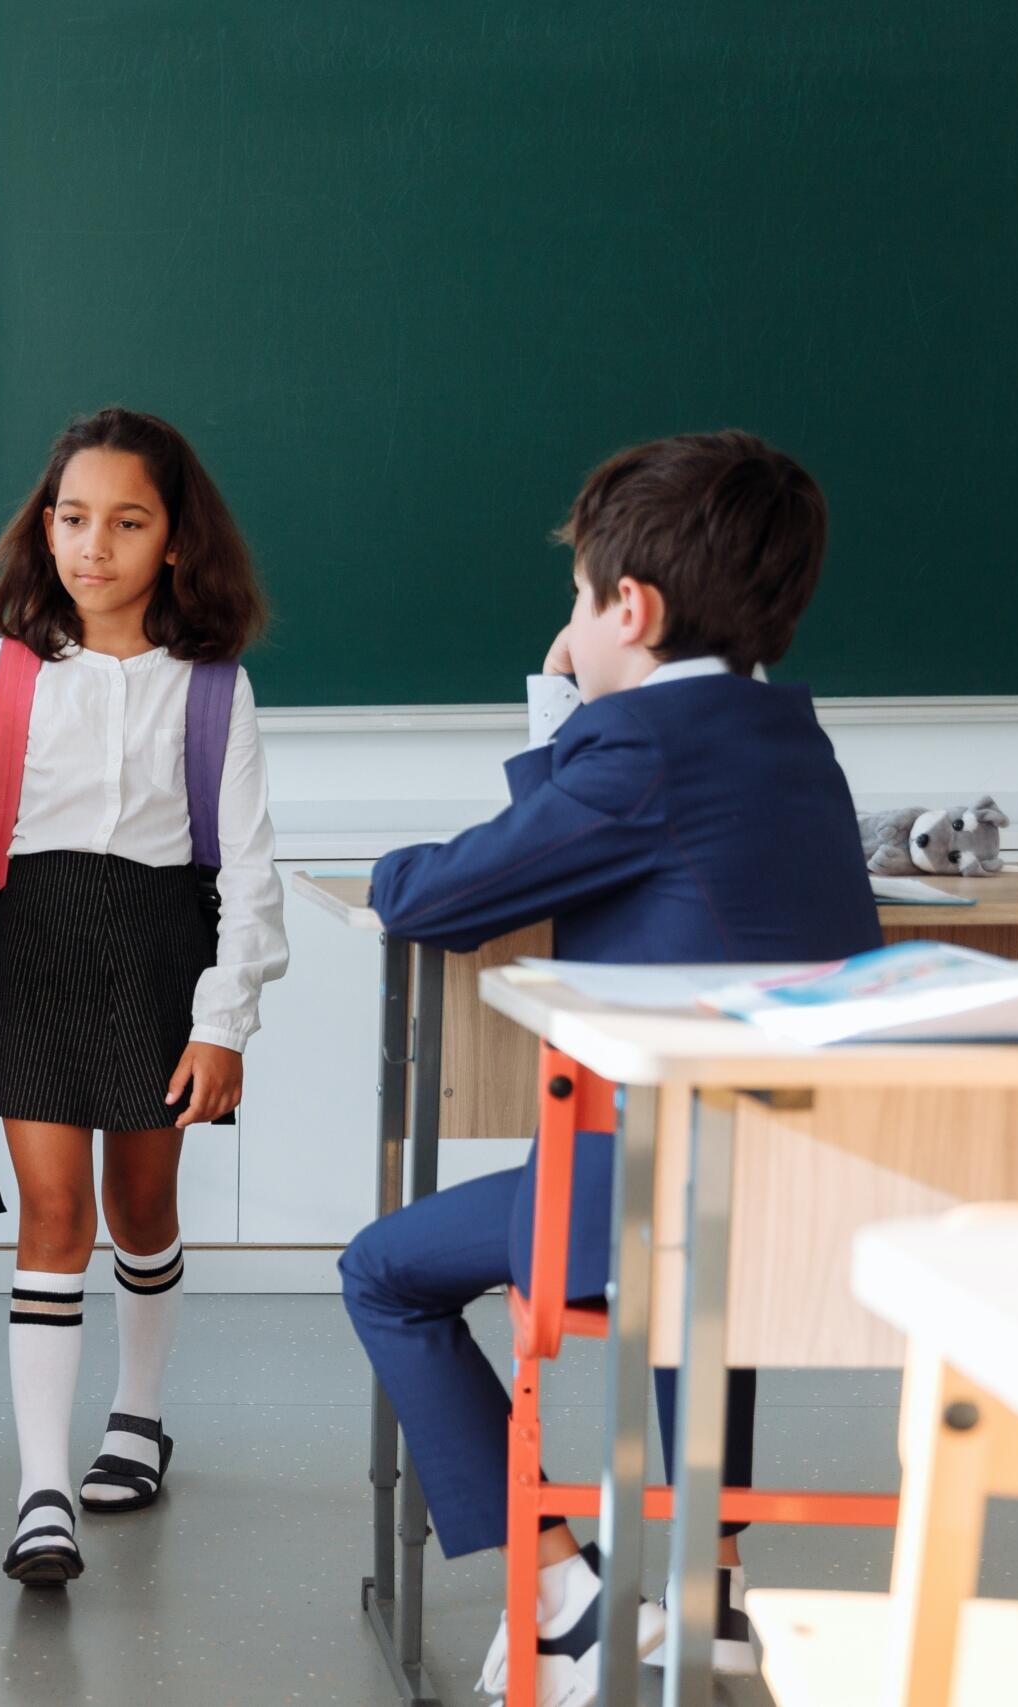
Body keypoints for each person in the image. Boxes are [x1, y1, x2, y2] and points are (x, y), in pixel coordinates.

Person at [340, 431, 882, 1705]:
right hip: (805, 1196)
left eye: (577, 605)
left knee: (381, 1273)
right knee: (707, 1279)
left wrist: (401, 856)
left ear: (628, 607)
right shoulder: (787, 738)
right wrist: (567, 720)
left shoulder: (641, 753)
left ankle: (564, 1594)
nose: (569, 633)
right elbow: (581, 822)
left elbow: (442, 896)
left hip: (652, 1199)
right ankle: (712, 1586)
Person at [0, 407, 285, 1585]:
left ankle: (139, 1412)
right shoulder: (8, 676)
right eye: (71, 517)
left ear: (175, 541)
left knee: (140, 1205)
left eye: (126, 521)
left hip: (159, 954)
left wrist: (223, 1024)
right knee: (52, 1214)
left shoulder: (213, 688)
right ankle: (40, 1489)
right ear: (41, 527)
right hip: (37, 956)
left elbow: (249, 871)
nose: (91, 544)